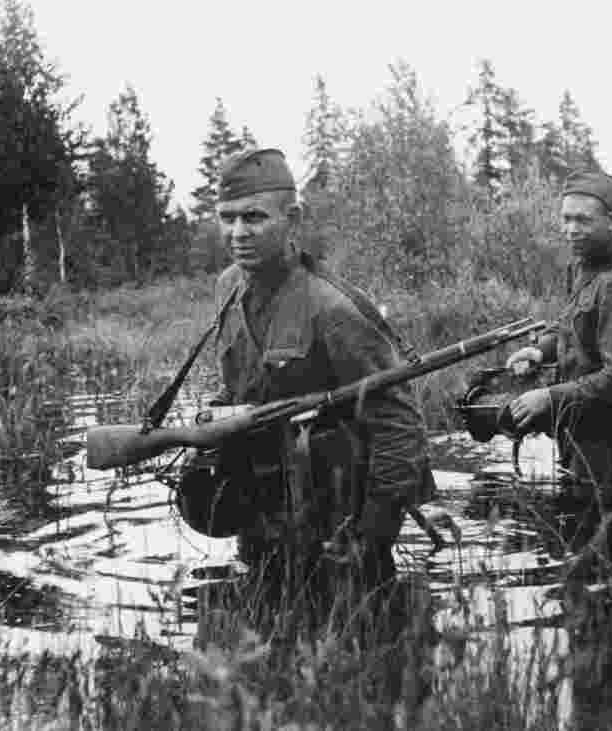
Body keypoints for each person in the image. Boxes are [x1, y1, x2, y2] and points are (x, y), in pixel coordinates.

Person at [198, 147, 433, 682]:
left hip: (338, 526)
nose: (238, 232)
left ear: (292, 220)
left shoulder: (333, 308)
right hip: (260, 515)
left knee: (361, 663)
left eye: (255, 217)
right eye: (227, 219)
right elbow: (235, 385)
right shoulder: (226, 289)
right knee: (265, 667)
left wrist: (372, 534)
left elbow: (399, 424)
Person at [505, 171, 612, 574]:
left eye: (583, 220)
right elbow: (568, 326)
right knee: (589, 540)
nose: (571, 230)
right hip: (588, 426)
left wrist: (548, 397)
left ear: (610, 220)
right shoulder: (586, 266)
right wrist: (539, 349)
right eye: (566, 219)